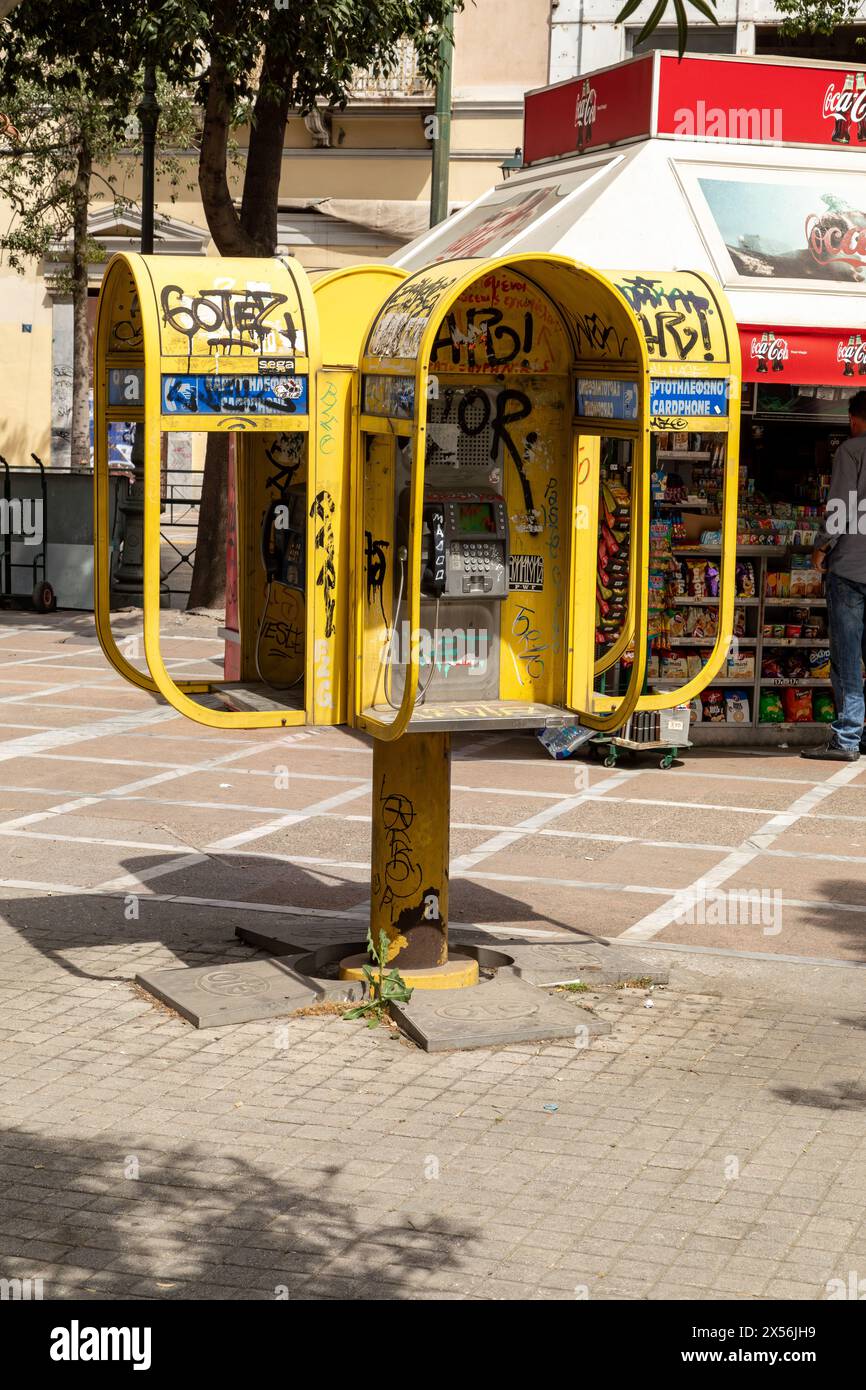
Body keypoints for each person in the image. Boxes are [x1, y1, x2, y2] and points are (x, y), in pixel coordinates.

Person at [803, 390, 866, 761]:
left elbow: (840, 506)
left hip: (851, 568)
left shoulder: (852, 450)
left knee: (846, 654)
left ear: (855, 419)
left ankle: (846, 738)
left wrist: (821, 546)